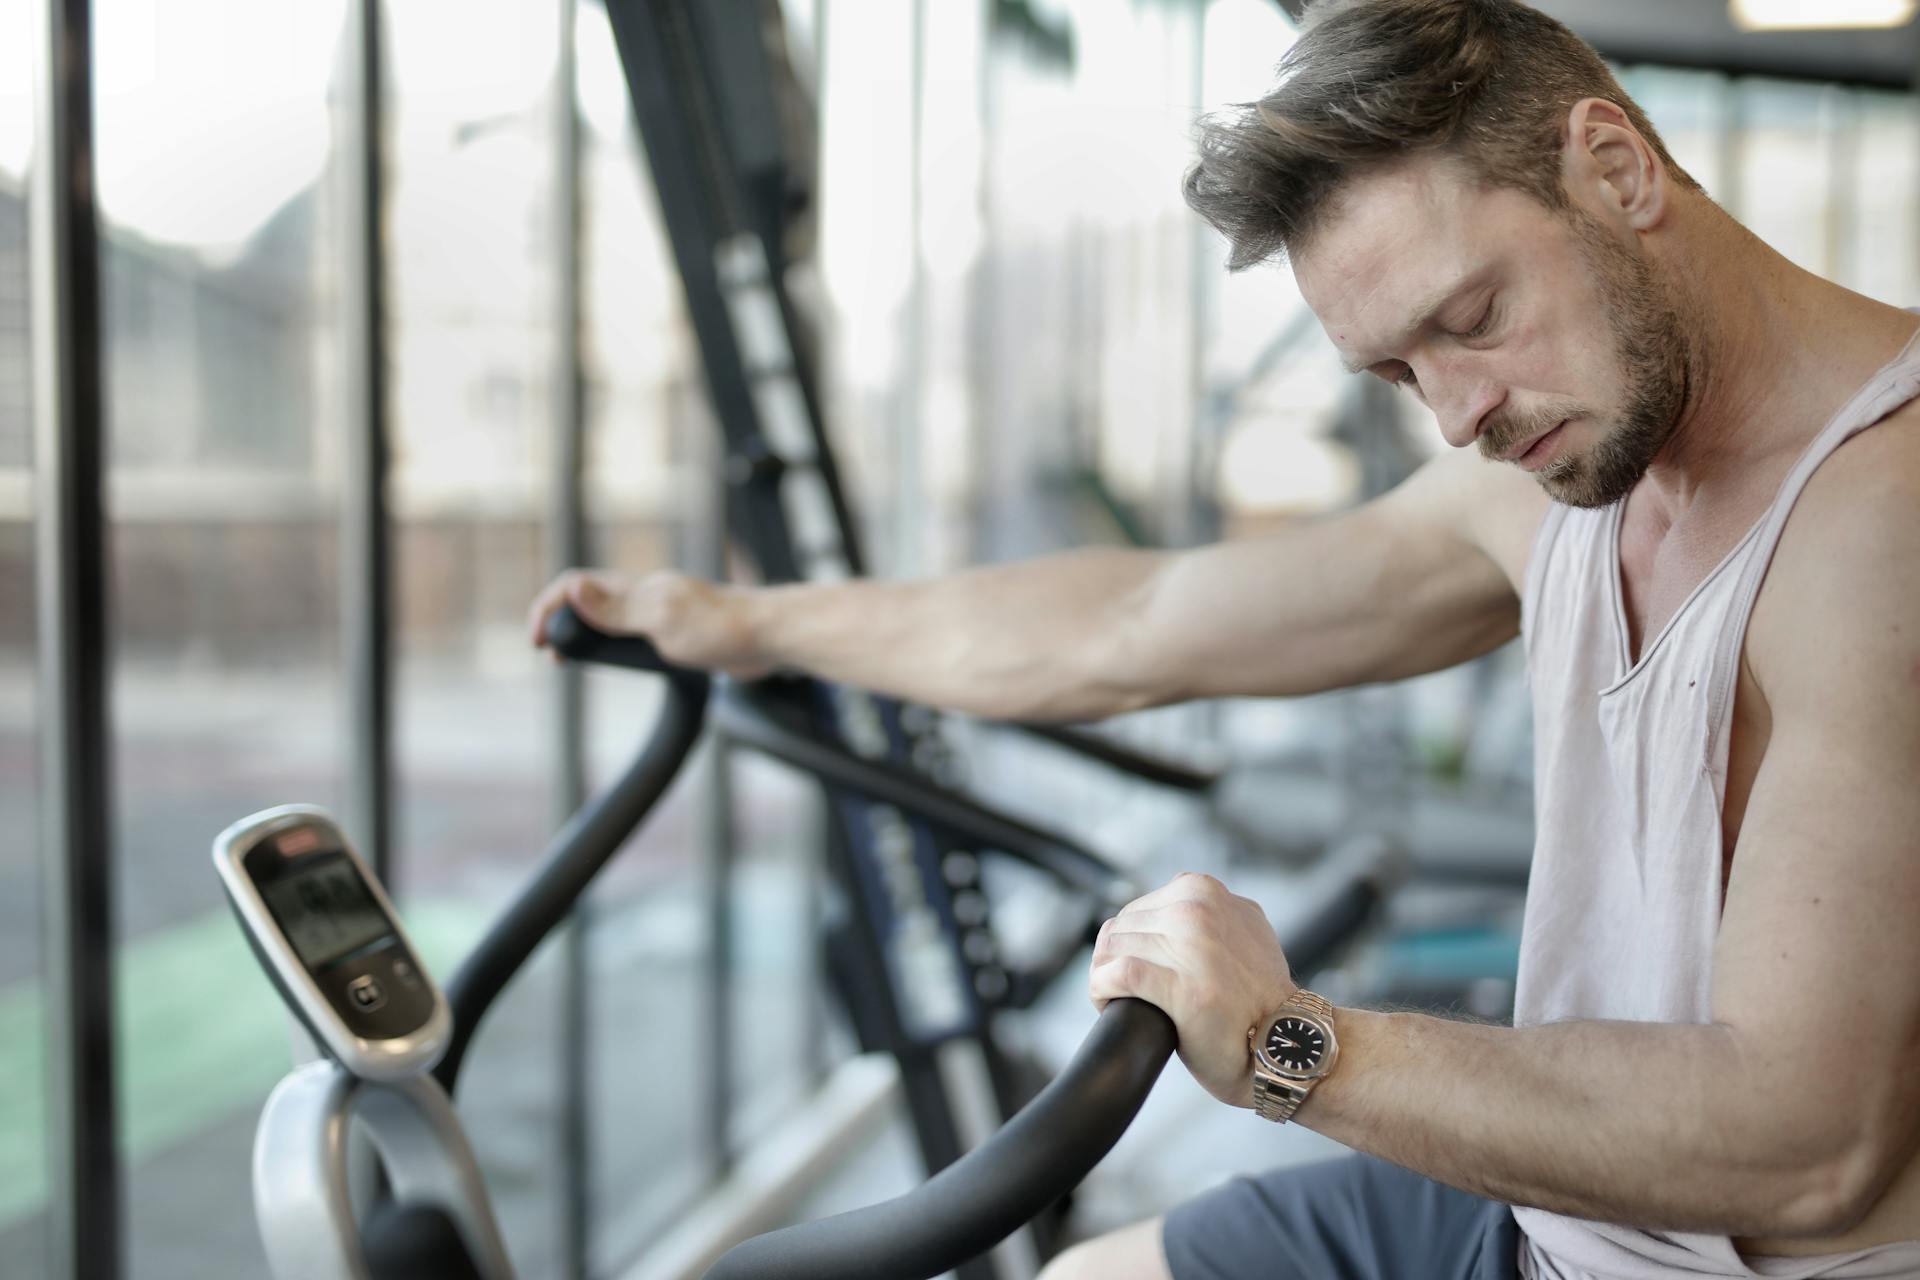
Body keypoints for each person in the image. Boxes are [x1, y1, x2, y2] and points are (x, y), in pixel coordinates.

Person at [528, 1, 1920, 1275]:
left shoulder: (1884, 523)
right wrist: (749, 621)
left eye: (1473, 319)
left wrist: (1285, 1045)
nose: (1454, 413)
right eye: (1396, 370)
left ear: (1615, 168)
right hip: (1560, 1225)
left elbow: (1800, 1145)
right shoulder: (1553, 480)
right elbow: (1136, 624)